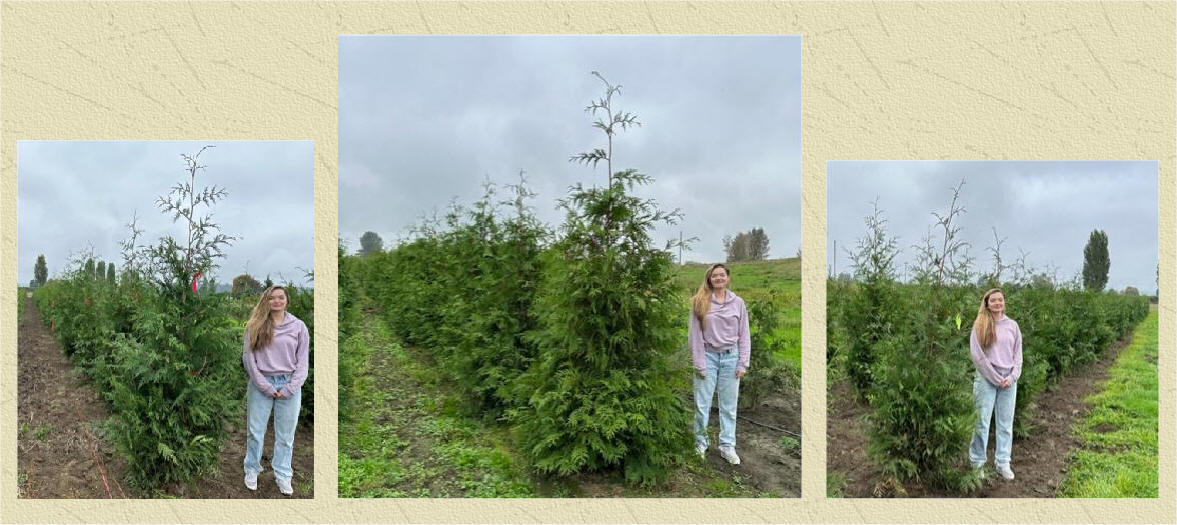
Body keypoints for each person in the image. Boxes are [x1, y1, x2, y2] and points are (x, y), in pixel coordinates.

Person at [242, 285, 310, 495]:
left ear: (287, 300)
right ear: (266, 301)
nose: (277, 301)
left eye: (281, 297)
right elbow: (248, 359)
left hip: (290, 385)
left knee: (286, 436)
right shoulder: (255, 325)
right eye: (272, 298)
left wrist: (291, 387)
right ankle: (252, 469)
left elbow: (303, 361)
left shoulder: (299, 327)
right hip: (261, 383)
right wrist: (264, 385)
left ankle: (283, 474)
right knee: (255, 432)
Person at [688, 263, 750, 465]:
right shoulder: (700, 301)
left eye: (722, 275)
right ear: (709, 279)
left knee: (729, 406)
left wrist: (743, 363)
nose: (719, 278)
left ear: (728, 278)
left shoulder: (738, 303)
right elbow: (694, 336)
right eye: (715, 275)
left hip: (731, 358)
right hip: (708, 357)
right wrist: (700, 363)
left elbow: (744, 334)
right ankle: (700, 442)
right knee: (702, 404)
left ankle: (727, 445)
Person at [968, 287, 1022, 481]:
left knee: (1005, 424)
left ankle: (1003, 462)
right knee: (981, 422)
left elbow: (1018, 355)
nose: (997, 303)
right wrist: (995, 377)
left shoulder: (1013, 325)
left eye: (1000, 299)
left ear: (1004, 302)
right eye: (993, 300)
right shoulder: (980, 325)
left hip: (1009, 382)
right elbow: (977, 356)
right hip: (986, 380)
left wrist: (1012, 377)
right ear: (987, 303)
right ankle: (977, 463)